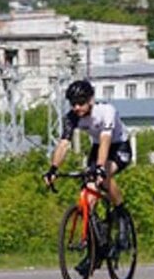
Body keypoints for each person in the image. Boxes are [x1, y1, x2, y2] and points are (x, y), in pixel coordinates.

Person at [45, 80, 132, 208]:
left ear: (90, 100)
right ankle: (91, 223)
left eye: (80, 103)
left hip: (119, 146)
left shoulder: (106, 111)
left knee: (104, 175)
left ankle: (121, 211)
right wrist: (53, 169)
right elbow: (63, 144)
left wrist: (100, 167)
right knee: (89, 186)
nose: (76, 108)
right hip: (98, 147)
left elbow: (105, 139)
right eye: (73, 104)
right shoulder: (72, 117)